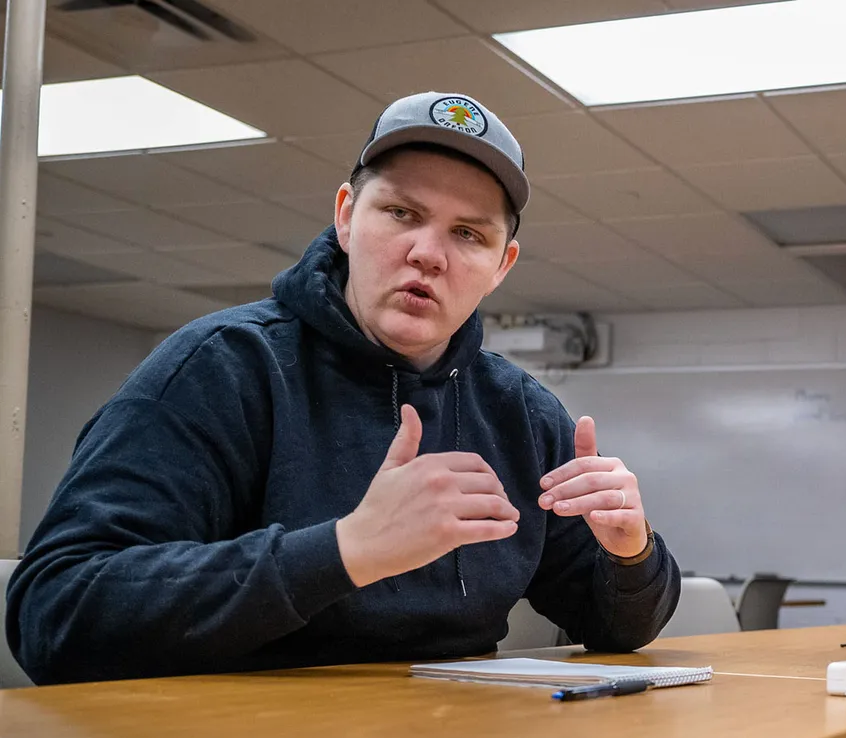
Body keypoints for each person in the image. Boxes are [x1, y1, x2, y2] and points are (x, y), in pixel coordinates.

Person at [6, 91, 679, 684]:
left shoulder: (521, 413)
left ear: (501, 265)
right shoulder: (222, 367)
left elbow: (615, 625)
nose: (428, 253)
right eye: (402, 213)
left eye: (468, 233)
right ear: (346, 216)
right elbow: (57, 611)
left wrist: (631, 552)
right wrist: (345, 550)